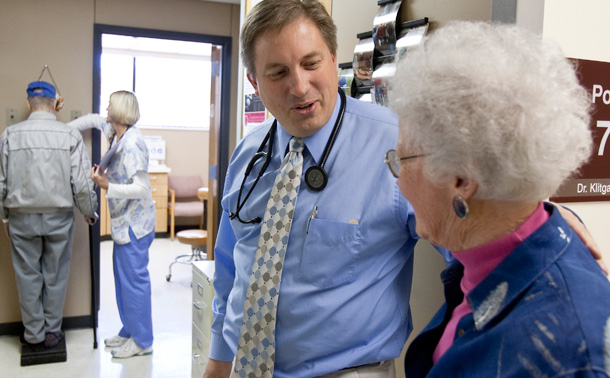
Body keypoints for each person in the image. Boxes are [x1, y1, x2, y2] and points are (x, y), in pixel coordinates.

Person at [205, 2, 605, 377]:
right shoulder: (247, 155)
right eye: (278, 73)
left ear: (332, 58)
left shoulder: (401, 143)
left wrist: (546, 222)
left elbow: (480, 233)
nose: (300, 85)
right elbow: (230, 270)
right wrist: (219, 364)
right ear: (255, 82)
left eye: (311, 63)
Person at [389, 21, 610, 377]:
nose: (398, 182)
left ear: (461, 179)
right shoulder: (480, 260)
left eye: (403, 160)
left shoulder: (571, 352)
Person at [0, 80, 98, 350]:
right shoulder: (69, 136)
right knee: (55, 275)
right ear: (56, 103)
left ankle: (33, 334)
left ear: (29, 102)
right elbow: (81, 183)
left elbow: (1, 182)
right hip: (59, 217)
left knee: (27, 276)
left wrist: (5, 217)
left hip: (21, 217)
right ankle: (52, 333)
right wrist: (89, 212)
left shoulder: (10, 134)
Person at [68, 90, 155, 359]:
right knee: (122, 281)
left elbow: (141, 189)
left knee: (134, 282)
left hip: (135, 225)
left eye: (109, 105)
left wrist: (107, 186)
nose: (105, 108)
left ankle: (143, 341)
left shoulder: (133, 144)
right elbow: (92, 120)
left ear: (119, 110)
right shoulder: (115, 132)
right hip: (123, 223)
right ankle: (129, 331)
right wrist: (61, 131)